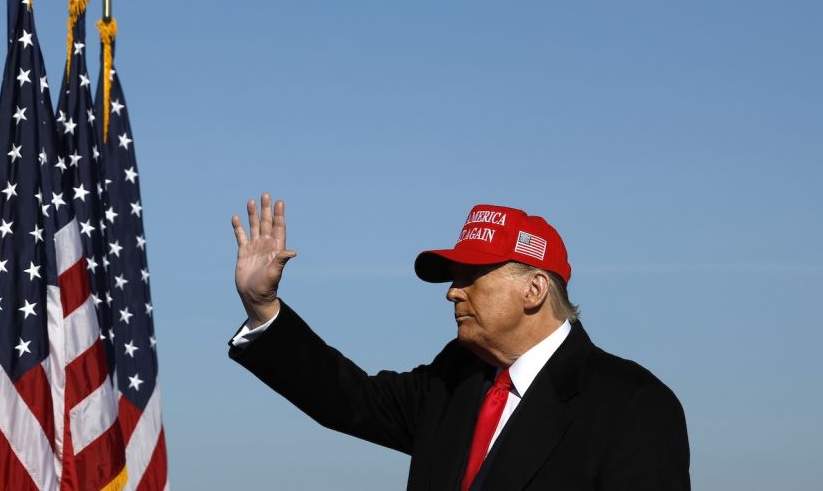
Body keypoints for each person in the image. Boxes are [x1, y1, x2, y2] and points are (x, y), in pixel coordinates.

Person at [228, 193, 689, 490]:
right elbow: (350, 399)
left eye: (471, 276)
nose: (452, 290)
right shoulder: (454, 378)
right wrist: (262, 305)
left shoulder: (633, 404)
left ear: (534, 289)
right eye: (452, 277)